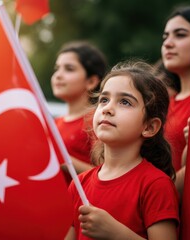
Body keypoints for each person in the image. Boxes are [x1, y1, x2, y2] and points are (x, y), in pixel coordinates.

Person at [66, 60, 179, 240]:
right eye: (104, 99)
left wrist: (115, 233)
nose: (107, 109)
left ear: (150, 127)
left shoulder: (156, 185)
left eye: (125, 102)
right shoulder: (78, 184)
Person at [51, 41, 108, 184]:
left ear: (91, 81)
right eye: (57, 69)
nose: (58, 75)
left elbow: (106, 173)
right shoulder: (53, 123)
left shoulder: (98, 120)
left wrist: (62, 159)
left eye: (69, 69)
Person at [161, 6, 190, 197]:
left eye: (180, 35)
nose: (168, 43)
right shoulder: (161, 103)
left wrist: (147, 198)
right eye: (165, 37)